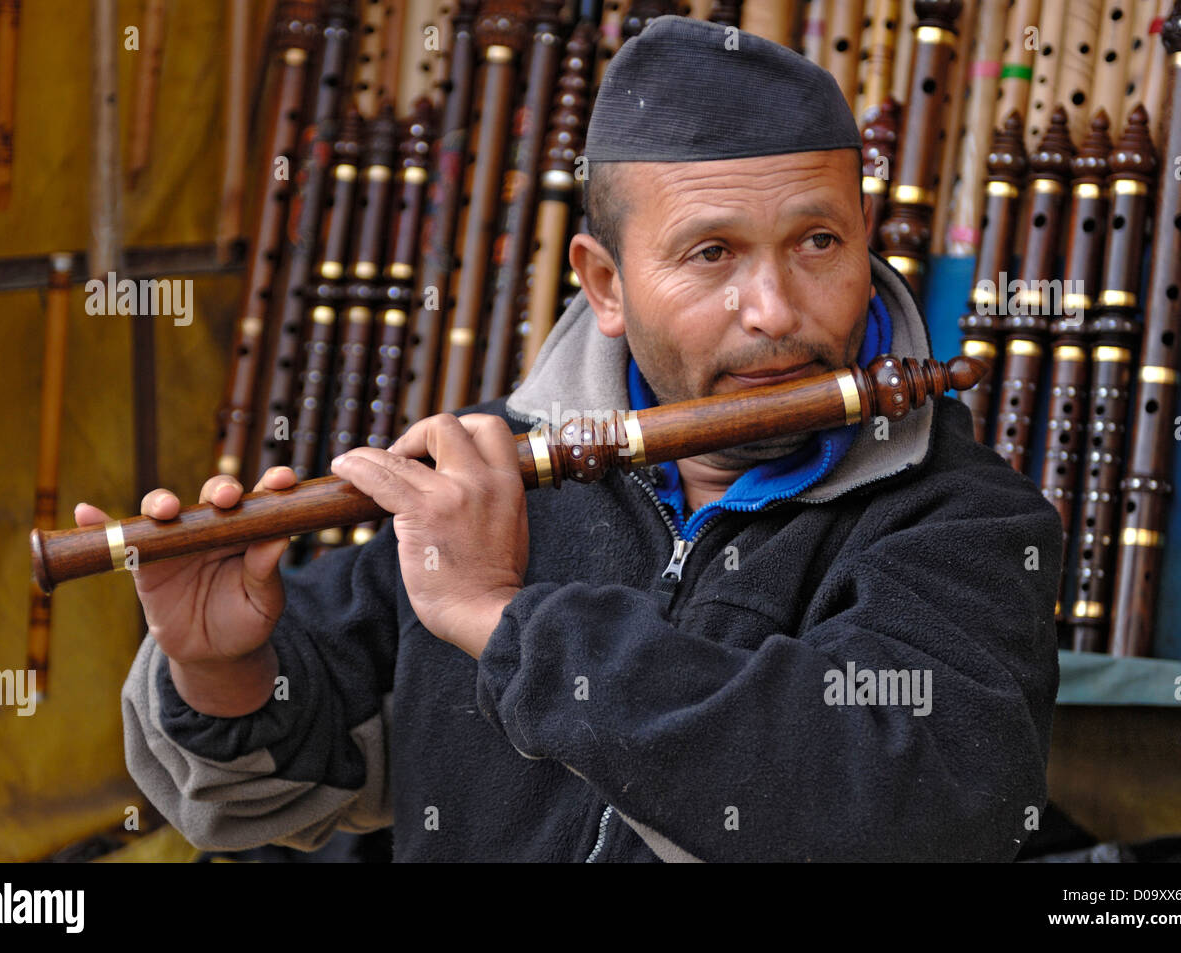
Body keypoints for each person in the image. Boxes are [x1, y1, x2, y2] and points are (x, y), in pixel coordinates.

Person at [93, 16, 1062, 862]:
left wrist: (506, 619)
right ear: (604, 284)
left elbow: (918, 809)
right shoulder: (498, 477)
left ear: (865, 235)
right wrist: (220, 668)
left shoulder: (964, 519)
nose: (774, 309)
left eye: (817, 242)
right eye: (711, 253)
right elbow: (286, 769)